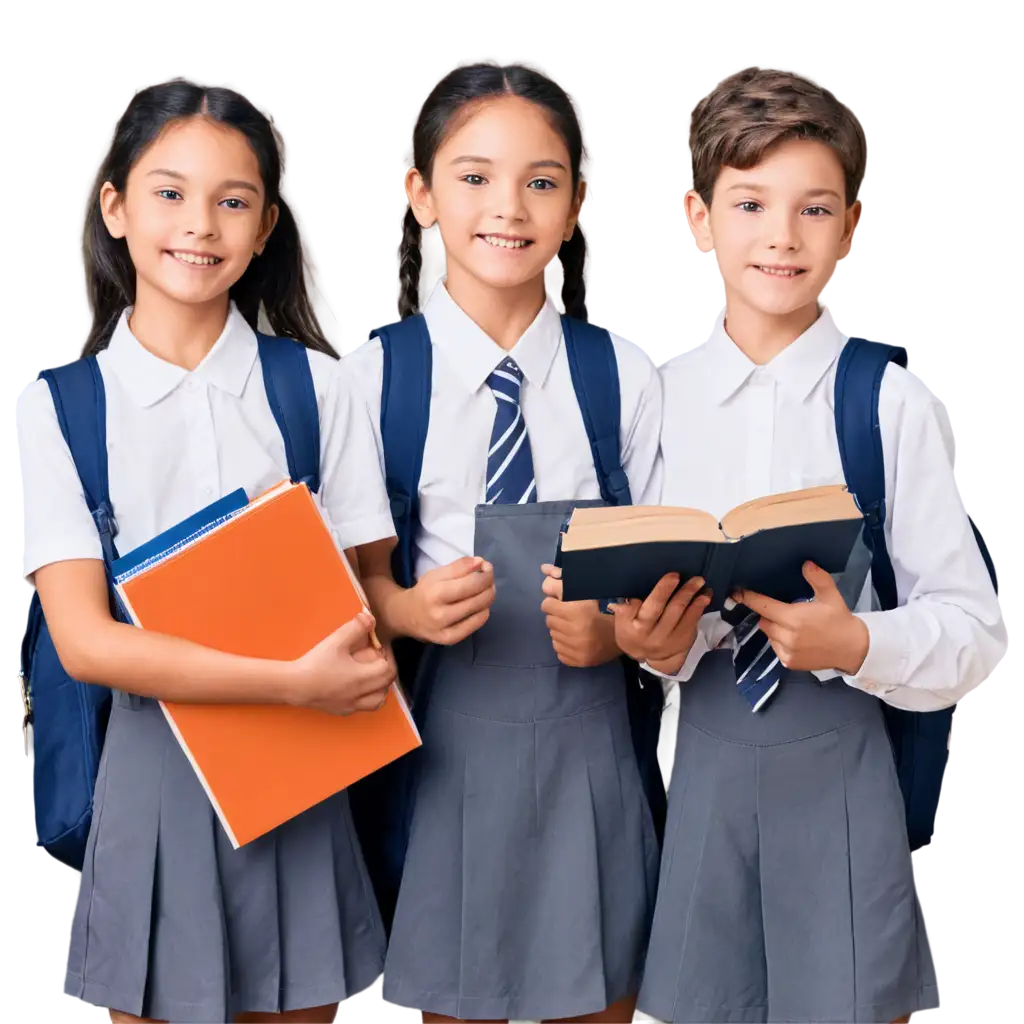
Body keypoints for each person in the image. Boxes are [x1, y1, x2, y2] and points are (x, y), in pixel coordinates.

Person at [612, 70, 1004, 1024]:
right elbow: (642, 612)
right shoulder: (653, 401)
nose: (780, 236)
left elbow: (971, 633)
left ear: (851, 226)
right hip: (696, 773)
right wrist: (654, 645)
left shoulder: (889, 403)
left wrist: (858, 644)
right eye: (749, 204)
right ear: (696, 218)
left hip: (840, 773)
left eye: (812, 209)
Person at [9, 81, 399, 1024]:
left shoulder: (319, 388)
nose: (201, 225)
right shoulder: (58, 408)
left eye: (233, 201)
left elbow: (363, 601)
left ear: (265, 226)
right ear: (116, 208)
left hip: (300, 770)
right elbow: (86, 645)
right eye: (170, 193)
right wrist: (291, 683)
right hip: (152, 766)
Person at [348, 64, 664, 1023]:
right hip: (441, 753)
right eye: (476, 176)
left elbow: (672, 574)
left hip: (595, 752)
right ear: (420, 194)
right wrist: (402, 608)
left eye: (541, 181)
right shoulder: (368, 382)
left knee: (601, 994)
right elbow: (337, 584)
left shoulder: (625, 376)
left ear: (575, 207)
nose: (509, 209)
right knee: (454, 997)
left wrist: (614, 632)